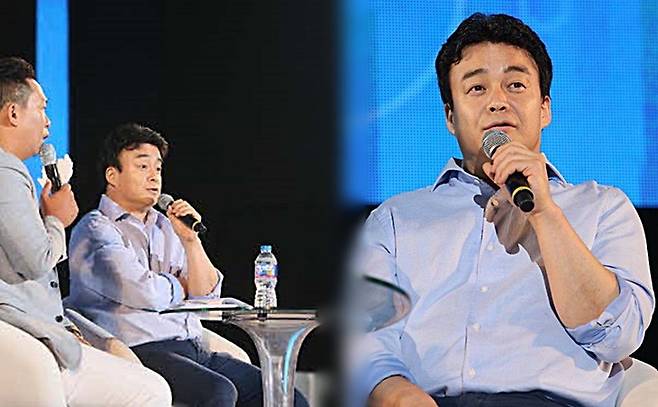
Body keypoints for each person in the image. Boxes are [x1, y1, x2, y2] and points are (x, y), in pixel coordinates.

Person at [350, 13, 654, 407]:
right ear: (450, 117)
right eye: (476, 88)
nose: (497, 102)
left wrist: (545, 216)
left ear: (544, 108)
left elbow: (618, 338)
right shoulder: (394, 220)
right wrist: (396, 392)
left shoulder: (603, 208)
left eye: (515, 85)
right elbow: (364, 336)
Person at [66, 122, 309, 407]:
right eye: (142, 166)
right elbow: (143, 292)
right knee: (218, 393)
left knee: (288, 397)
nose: (154, 176)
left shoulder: (167, 226)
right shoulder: (96, 229)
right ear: (113, 175)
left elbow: (206, 296)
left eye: (158, 168)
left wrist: (191, 241)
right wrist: (181, 284)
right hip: (140, 350)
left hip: (193, 347)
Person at [0, 57, 171, 406]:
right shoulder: (7, 172)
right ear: (13, 113)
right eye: (41, 108)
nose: (48, 121)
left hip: (40, 335)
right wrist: (57, 219)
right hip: (27, 342)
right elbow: (36, 262)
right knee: (152, 391)